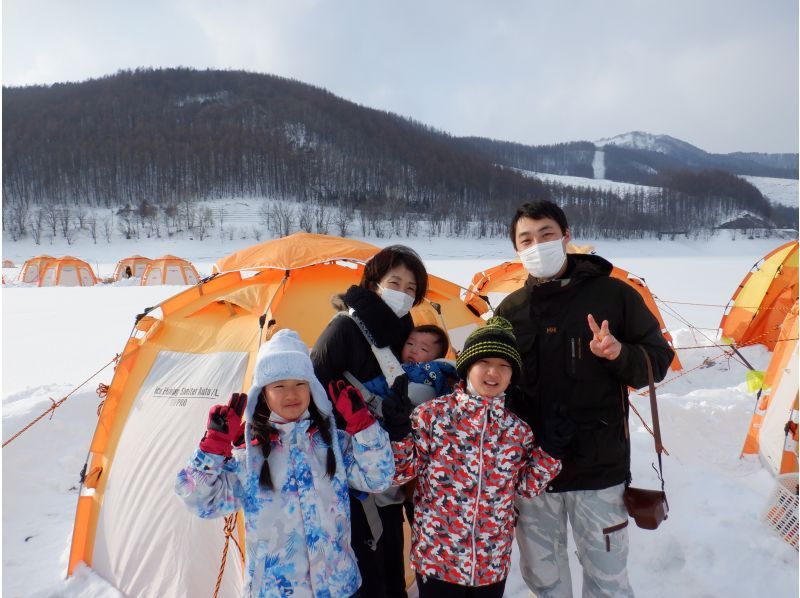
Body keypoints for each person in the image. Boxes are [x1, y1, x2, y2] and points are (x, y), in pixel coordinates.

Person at [494, 200, 674, 598]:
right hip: (533, 475)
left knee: (607, 582)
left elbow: (658, 360)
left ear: (566, 237)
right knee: (545, 582)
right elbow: (492, 379)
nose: (537, 245)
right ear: (516, 250)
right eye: (526, 239)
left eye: (546, 235)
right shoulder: (510, 310)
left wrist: (618, 354)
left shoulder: (614, 295)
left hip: (599, 471)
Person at [175, 329, 395, 597]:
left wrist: (364, 426)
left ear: (312, 388)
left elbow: (378, 478)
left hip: (340, 586)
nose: (291, 393)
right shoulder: (250, 458)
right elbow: (199, 501)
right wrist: (212, 448)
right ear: (263, 394)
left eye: (299, 383)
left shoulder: (334, 445)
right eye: (279, 385)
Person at [382, 317, 562, 598]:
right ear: (467, 368)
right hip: (437, 560)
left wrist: (551, 452)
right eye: (484, 363)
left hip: (491, 564)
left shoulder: (517, 430)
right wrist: (398, 434)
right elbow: (400, 473)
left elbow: (526, 488)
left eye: (504, 366)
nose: (494, 372)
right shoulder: (432, 416)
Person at [311, 245, 429, 598]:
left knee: (392, 564)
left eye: (412, 289)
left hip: (390, 470)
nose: (403, 293)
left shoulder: (403, 336)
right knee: (367, 575)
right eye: (396, 282)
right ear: (374, 282)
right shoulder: (344, 330)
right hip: (351, 479)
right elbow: (313, 397)